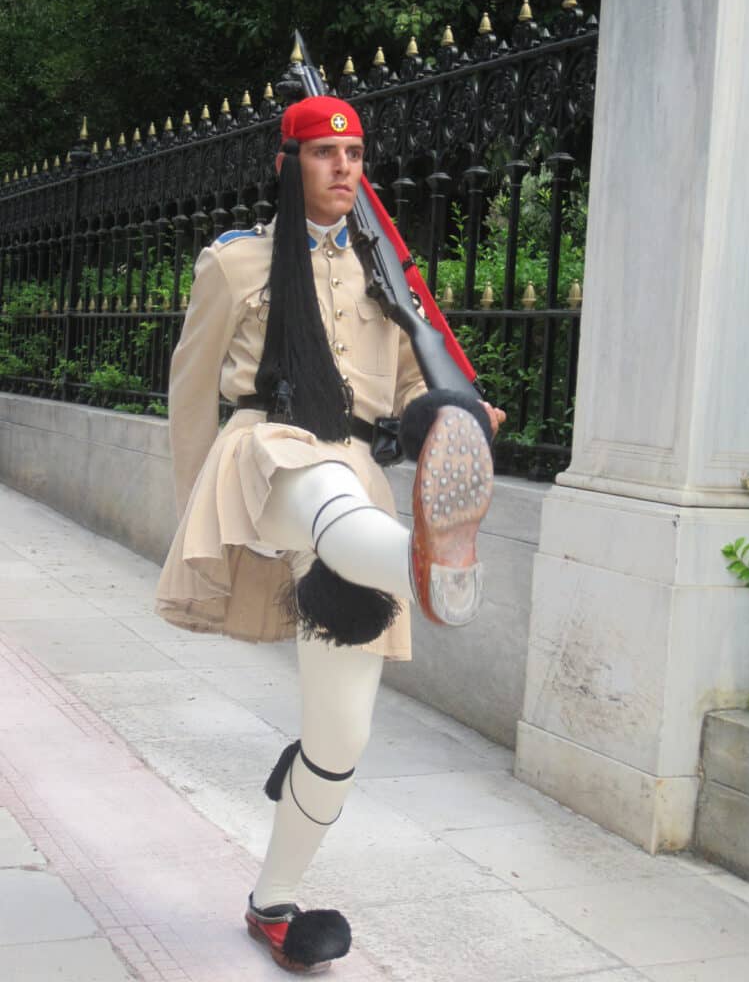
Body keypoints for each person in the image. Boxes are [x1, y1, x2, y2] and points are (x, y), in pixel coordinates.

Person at [155, 95, 505, 973]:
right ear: (289, 165)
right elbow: (192, 394)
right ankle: (426, 560)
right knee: (336, 507)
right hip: (265, 455)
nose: (344, 168)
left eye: (354, 154)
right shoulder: (236, 267)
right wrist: (195, 520)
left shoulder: (383, 282)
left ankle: (273, 904)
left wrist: (454, 415)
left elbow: (394, 399)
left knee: (341, 738)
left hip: (352, 467)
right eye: (323, 154)